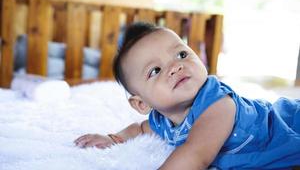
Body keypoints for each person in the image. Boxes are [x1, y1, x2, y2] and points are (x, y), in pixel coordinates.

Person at [74, 22, 300, 169]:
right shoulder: (162, 121)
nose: (175, 67)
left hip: (289, 122)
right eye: (155, 70)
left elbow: (195, 155)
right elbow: (140, 128)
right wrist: (114, 139)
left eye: (181, 54)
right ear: (141, 103)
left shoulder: (218, 105)